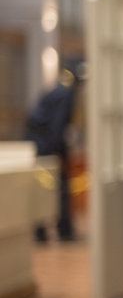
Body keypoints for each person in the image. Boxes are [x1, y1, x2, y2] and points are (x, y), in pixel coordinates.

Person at [25, 62, 83, 242]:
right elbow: (57, 126)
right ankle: (61, 230)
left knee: (43, 187)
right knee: (56, 188)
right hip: (46, 146)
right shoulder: (65, 93)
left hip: (39, 144)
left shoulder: (58, 90)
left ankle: (41, 231)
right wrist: (60, 152)